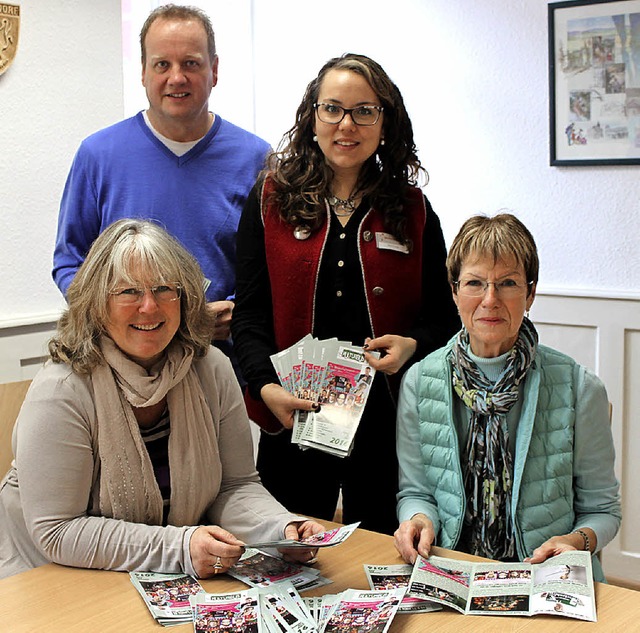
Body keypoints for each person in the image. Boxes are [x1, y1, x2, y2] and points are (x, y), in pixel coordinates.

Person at [0, 219, 323, 581]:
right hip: (44, 578)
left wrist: (281, 529)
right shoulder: (62, 389)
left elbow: (235, 486)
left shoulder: (210, 368)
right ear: (95, 303)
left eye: (164, 289)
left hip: (150, 576)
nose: (150, 307)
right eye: (128, 292)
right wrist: (180, 548)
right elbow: (58, 531)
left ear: (184, 298)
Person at [232, 53, 460, 535]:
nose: (346, 124)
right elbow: (249, 317)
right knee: (286, 555)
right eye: (332, 108)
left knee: (383, 560)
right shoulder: (269, 200)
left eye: (364, 111)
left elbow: (445, 317)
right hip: (295, 416)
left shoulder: (413, 210)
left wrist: (412, 345)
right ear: (312, 116)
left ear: (384, 121)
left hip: (387, 423)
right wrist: (264, 387)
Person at [393, 213, 621, 581]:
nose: (490, 299)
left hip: (544, 573)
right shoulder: (420, 380)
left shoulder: (579, 387)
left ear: (530, 293)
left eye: (508, 283)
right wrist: (418, 520)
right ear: (453, 292)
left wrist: (576, 541)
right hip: (452, 569)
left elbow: (603, 510)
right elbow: (416, 493)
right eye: (474, 283)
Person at [52, 4, 269, 346]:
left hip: (224, 363)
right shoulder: (98, 155)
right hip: (124, 368)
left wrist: (240, 309)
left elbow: (274, 265)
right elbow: (70, 262)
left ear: (214, 70)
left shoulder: (256, 158)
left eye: (191, 63)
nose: (176, 77)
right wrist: (113, 312)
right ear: (143, 72)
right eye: (162, 64)